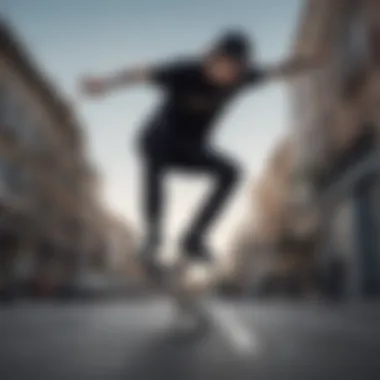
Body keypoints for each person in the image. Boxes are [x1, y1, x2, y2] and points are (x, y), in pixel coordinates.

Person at [80, 29, 324, 279]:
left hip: (192, 149)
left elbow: (276, 70)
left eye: (233, 70)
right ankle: (153, 234)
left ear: (240, 69)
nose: (225, 75)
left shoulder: (242, 79)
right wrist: (105, 83)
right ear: (210, 58)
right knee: (156, 153)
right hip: (158, 140)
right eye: (221, 66)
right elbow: (140, 73)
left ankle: (193, 237)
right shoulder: (184, 71)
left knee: (232, 172)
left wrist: (310, 61)